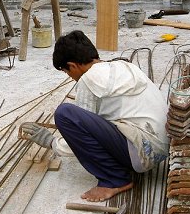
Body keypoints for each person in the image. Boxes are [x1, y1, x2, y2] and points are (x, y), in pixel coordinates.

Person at [23, 31, 169, 202]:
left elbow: (80, 134)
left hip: (141, 156)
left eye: (66, 72)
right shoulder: (123, 66)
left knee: (65, 114)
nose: (70, 77)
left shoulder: (89, 79)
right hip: (160, 150)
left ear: (73, 66)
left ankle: (115, 180)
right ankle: (119, 170)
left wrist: (51, 143)